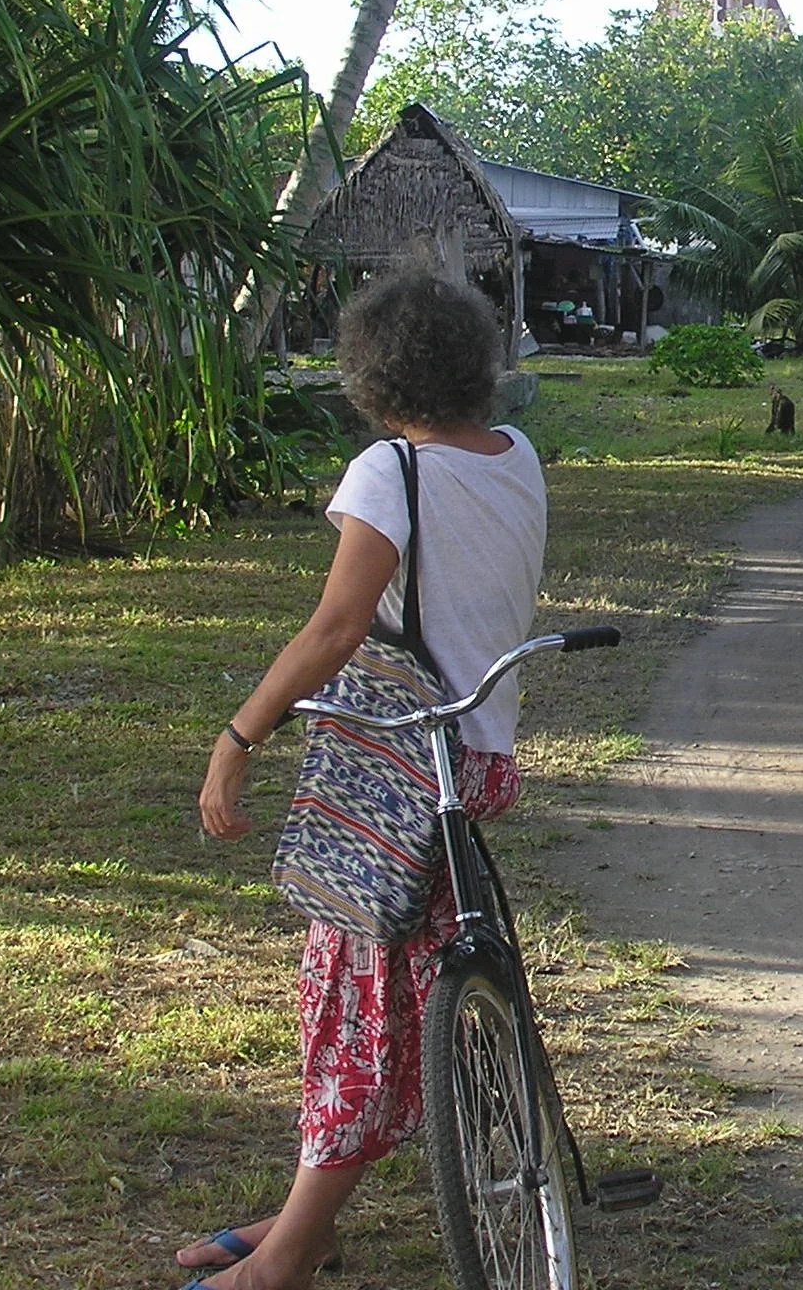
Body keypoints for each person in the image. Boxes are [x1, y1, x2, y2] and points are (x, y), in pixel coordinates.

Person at [179, 268, 547, 1290]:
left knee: (353, 999)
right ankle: (304, 1216)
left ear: (371, 376)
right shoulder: (516, 456)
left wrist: (239, 733)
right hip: (475, 757)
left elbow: (338, 625)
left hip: (396, 769)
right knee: (381, 992)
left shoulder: (390, 470)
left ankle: (292, 1251)